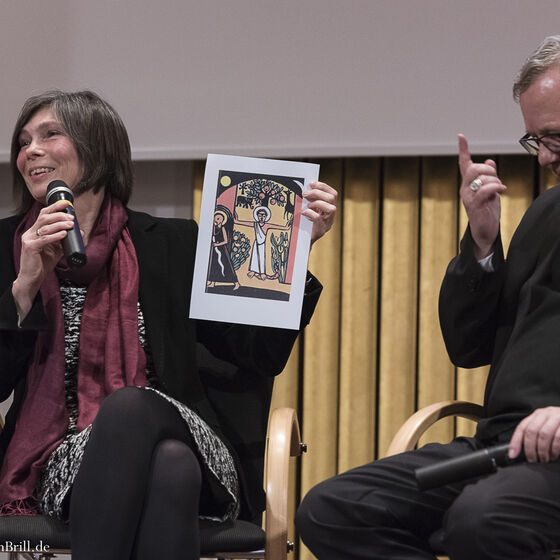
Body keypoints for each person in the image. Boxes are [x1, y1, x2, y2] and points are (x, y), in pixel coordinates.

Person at [0, 89, 337, 560]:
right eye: (22, 141)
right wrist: (25, 289)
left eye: (49, 134)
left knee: (134, 409)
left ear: (97, 146)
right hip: (60, 459)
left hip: (192, 438)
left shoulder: (176, 244)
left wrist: (293, 256)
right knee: (169, 469)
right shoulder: (8, 249)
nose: (29, 151)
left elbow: (255, 352)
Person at [296, 35, 560, 560]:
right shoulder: (544, 215)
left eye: (555, 137)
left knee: (480, 520)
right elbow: (468, 347)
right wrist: (483, 241)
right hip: (503, 445)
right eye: (536, 141)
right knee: (333, 508)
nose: (546, 158)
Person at [207, 210, 239, 290]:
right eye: (215, 219)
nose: (216, 220)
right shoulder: (214, 228)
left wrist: (217, 244)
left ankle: (236, 283)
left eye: (218, 218)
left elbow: (226, 241)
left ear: (221, 220)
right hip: (215, 250)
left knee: (227, 266)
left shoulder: (223, 228)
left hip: (222, 250)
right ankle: (213, 282)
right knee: (214, 266)